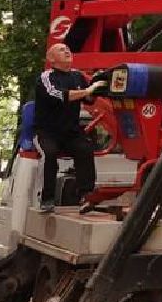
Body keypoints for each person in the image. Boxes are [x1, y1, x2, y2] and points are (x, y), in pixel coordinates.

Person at [33, 42, 107, 213]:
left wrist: (99, 86)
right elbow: (60, 95)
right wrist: (89, 91)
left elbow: (89, 99)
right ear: (51, 59)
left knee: (85, 148)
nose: (67, 50)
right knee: (49, 154)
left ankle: (86, 195)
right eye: (61, 49)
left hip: (70, 132)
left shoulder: (77, 76)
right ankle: (46, 198)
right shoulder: (46, 78)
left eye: (68, 48)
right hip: (47, 132)